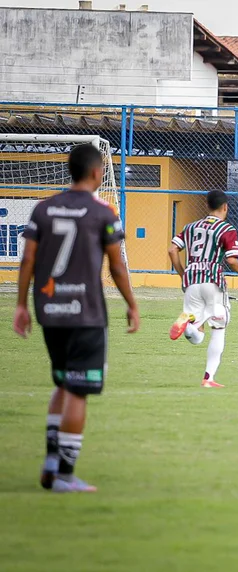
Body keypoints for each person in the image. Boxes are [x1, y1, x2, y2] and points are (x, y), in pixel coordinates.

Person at [13, 143, 140, 493]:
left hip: (49, 311)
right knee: (78, 391)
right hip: (85, 313)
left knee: (63, 384)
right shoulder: (104, 213)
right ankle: (65, 476)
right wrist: (132, 303)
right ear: (98, 172)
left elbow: (28, 262)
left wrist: (21, 305)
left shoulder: (43, 209)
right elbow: (116, 266)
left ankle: (52, 459)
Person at [168, 190, 238, 388]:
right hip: (212, 279)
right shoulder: (226, 229)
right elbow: (230, 259)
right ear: (225, 207)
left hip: (191, 279)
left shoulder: (190, 227)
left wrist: (182, 273)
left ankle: (189, 323)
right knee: (220, 326)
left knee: (197, 337)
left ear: (208, 206)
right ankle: (208, 378)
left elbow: (172, 249)